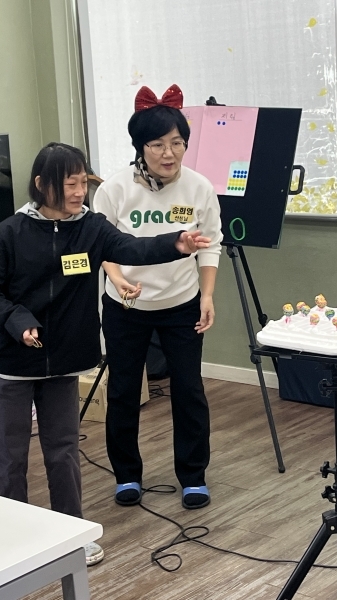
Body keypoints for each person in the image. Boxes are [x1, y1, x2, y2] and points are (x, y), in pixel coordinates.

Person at [0, 142, 211, 567]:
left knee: (63, 452)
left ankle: (71, 535)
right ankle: (9, 539)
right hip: (13, 363)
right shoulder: (10, 232)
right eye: (70, 184)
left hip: (64, 360)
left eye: (83, 182)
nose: (80, 191)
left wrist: (176, 243)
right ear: (42, 184)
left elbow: (132, 249)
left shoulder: (92, 228)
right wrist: (18, 320)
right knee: (10, 458)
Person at [94, 84, 223, 510]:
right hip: (125, 306)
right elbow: (99, 245)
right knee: (123, 391)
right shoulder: (114, 189)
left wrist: (207, 296)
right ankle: (127, 475)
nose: (169, 154)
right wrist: (117, 278)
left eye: (177, 143)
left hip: (182, 303)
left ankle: (193, 477)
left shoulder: (199, 187)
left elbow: (211, 244)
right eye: (158, 145)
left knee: (189, 390)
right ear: (140, 147)